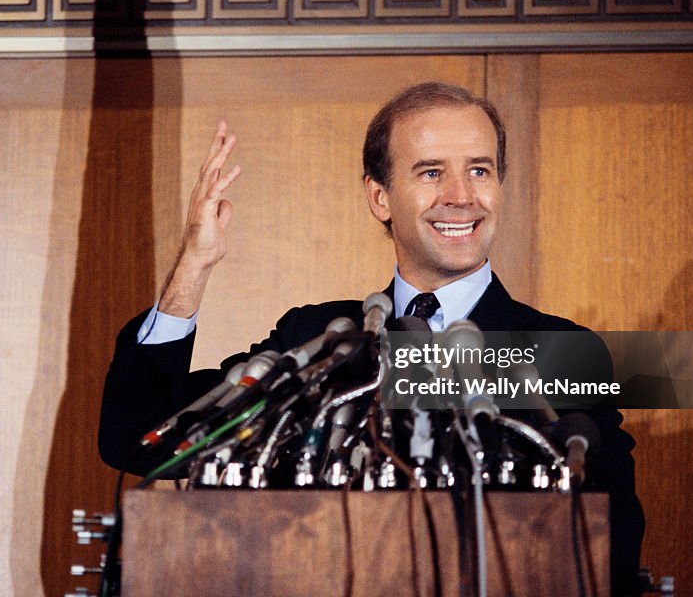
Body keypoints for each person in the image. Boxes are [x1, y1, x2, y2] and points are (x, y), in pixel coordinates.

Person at [99, 82, 645, 595]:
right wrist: (193, 266)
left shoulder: (563, 352)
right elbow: (143, 439)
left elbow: (612, 537)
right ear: (380, 198)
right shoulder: (318, 338)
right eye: (431, 173)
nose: (461, 196)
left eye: (479, 170)